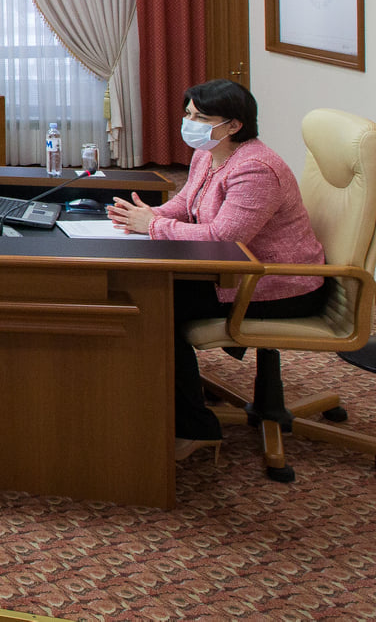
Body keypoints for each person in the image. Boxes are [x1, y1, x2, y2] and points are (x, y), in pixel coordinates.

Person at [107, 80, 329, 462]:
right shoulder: (208, 152)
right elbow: (185, 203)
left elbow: (223, 239)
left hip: (278, 284)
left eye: (201, 117)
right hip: (234, 273)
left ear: (234, 125)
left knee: (153, 306)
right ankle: (170, 395)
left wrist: (154, 226)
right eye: (188, 114)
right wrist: (147, 216)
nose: (189, 122)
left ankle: (194, 427)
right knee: (147, 290)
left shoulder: (256, 170)